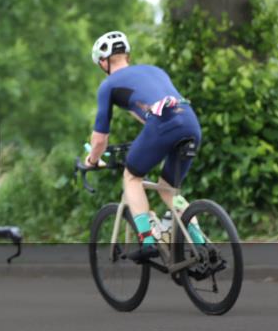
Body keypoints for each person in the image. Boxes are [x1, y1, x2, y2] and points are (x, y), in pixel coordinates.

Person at [83, 31, 203, 262]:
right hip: (190, 122)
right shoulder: (155, 71)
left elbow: (99, 140)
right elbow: (147, 112)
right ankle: (202, 245)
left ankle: (147, 240)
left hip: (162, 125)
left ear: (103, 62)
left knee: (132, 177)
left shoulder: (108, 85)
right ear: (127, 55)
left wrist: (92, 160)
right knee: (168, 189)